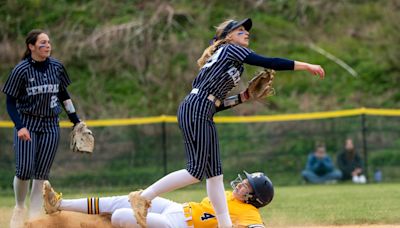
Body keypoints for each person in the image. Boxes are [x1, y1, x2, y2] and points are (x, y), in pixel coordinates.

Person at [129, 18, 325, 228]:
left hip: (202, 108)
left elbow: (216, 104)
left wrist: (244, 97)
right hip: (197, 107)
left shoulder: (233, 64)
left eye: (246, 31)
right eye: (240, 30)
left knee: (215, 175)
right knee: (195, 172)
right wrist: (306, 66)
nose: (245, 33)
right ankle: (144, 197)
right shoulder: (231, 49)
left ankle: (225, 225)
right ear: (228, 36)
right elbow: (269, 61)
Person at [2, 29, 82, 227]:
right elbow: (10, 103)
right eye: (42, 43)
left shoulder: (56, 67)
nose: (47, 46)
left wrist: (76, 120)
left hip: (50, 124)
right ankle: (20, 207)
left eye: (48, 42)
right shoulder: (21, 70)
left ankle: (35, 218)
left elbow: (64, 95)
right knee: (24, 170)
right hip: (27, 123)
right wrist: (20, 126)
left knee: (41, 174)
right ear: (31, 46)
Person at [41, 171, 274, 228]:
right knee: (130, 199)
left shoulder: (250, 213)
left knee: (122, 217)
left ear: (255, 198)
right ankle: (58, 204)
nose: (242, 184)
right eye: (244, 181)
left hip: (178, 226)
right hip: (177, 209)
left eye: (247, 186)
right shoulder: (227, 195)